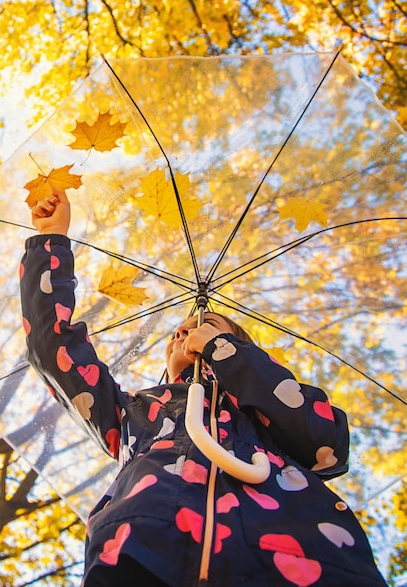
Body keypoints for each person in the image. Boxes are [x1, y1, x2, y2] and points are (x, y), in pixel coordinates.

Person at [20, 190, 388, 586]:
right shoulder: (133, 414)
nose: (185, 329)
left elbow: (326, 446)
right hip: (144, 551)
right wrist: (51, 240)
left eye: (206, 324)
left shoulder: (272, 401)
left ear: (240, 347)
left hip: (301, 559)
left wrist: (220, 350)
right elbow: (51, 346)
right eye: (182, 328)